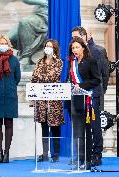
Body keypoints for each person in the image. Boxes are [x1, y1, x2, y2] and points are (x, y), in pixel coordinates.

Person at [71, 26, 105, 166]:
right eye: (73, 46)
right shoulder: (72, 62)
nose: (74, 48)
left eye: (76, 44)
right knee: (83, 128)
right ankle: (84, 156)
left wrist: (85, 87)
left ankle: (96, 155)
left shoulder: (93, 55)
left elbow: (100, 78)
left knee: (94, 127)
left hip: (92, 97)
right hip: (78, 99)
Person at [0, 35, 21, 163]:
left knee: (9, 124)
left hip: (10, 96)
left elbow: (17, 78)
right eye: (0, 43)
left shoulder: (14, 60)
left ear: (9, 44)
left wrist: (10, 87)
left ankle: (7, 153)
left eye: (5, 43)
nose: (3, 45)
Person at [31, 39, 64, 162]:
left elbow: (53, 76)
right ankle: (45, 153)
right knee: (43, 126)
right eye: (46, 46)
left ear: (55, 49)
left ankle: (56, 153)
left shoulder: (58, 62)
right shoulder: (39, 62)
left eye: (50, 46)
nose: (47, 48)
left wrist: (43, 76)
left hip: (54, 100)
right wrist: (32, 97)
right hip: (41, 100)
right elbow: (34, 78)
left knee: (55, 127)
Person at [8, 0, 48, 71]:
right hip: (37, 16)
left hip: (46, 18)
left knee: (25, 22)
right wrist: (42, 2)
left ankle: (26, 55)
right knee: (8, 38)